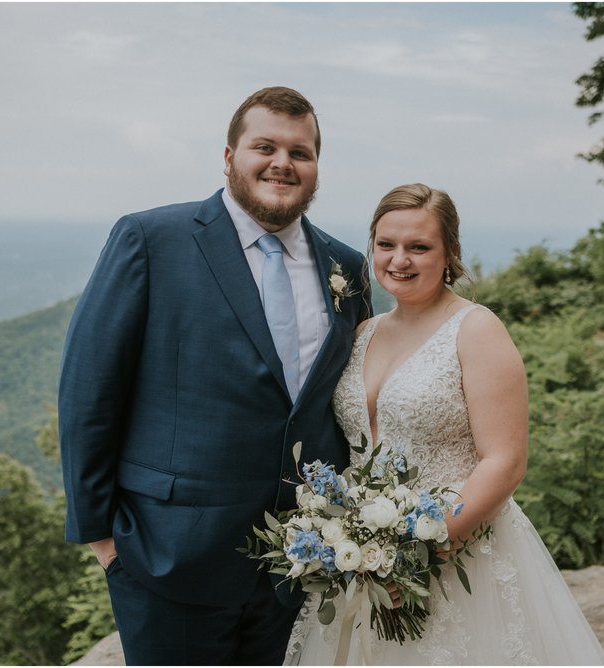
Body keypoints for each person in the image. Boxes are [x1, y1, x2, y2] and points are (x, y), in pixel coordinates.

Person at [58, 86, 371, 665]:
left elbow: (344, 399)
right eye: (265, 146)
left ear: (316, 167)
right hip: (169, 556)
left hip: (299, 561)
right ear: (229, 157)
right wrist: (103, 539)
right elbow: (89, 391)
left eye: (300, 152)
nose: (283, 162)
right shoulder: (151, 239)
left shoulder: (346, 267)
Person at [285, 183, 604, 665]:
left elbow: (505, 459)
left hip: (458, 552)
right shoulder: (363, 332)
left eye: (419, 247)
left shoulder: (477, 329)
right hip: (364, 560)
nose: (400, 260)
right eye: (386, 245)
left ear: (449, 253)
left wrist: (419, 554)